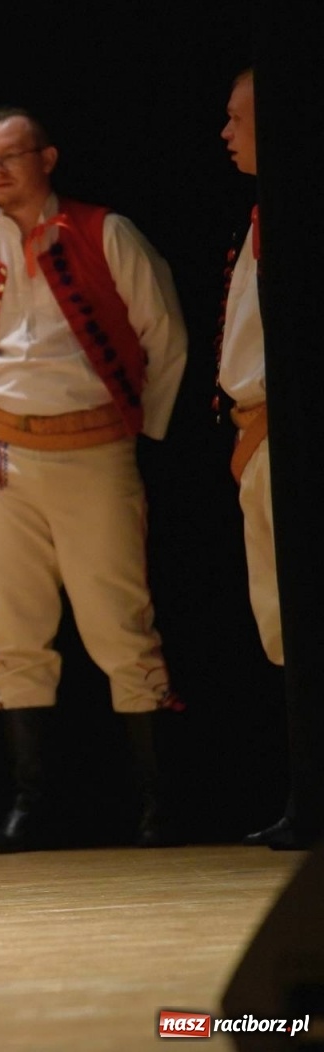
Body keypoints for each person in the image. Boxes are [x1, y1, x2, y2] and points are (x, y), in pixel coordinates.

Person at [0, 106, 189, 854]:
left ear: (47, 157)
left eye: (11, 156)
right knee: (13, 629)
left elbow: (164, 338)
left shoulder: (105, 232)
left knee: (119, 624)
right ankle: (29, 804)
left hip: (95, 451)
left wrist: (141, 435)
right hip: (9, 460)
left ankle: (154, 803)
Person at [218, 69, 319, 850]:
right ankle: (302, 796)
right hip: (256, 435)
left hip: (283, 434)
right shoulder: (257, 220)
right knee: (280, 622)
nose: (227, 134)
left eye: (238, 119)